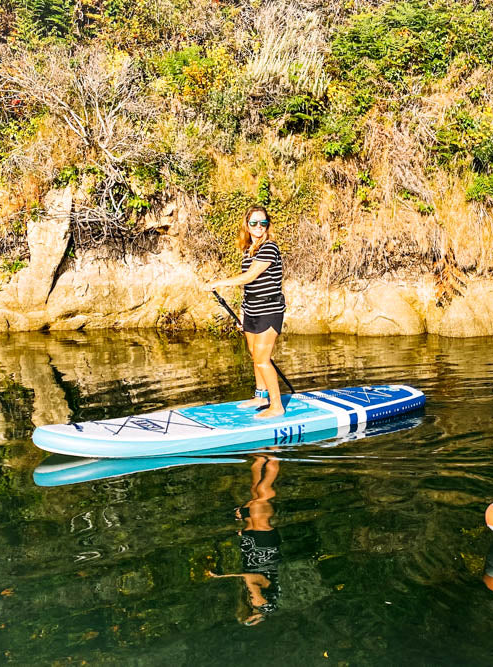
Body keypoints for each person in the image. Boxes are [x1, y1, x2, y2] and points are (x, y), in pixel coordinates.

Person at [206, 206, 287, 419]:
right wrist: (242, 313)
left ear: (268, 225)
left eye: (263, 223)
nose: (259, 227)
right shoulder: (248, 250)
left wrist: (219, 282)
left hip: (269, 310)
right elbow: (248, 288)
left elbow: (250, 276)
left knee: (262, 359)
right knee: (255, 356)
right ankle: (261, 397)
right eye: (254, 223)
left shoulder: (270, 248)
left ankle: (276, 406)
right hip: (251, 310)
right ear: (247, 226)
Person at [206, 454, 283, 626]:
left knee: (256, 493)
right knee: (262, 495)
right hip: (264, 550)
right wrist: (224, 576)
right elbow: (252, 577)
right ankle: (274, 454)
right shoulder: (263, 604)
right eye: (252, 620)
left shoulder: (253, 601)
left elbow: (252, 575)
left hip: (255, 549)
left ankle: (259, 458)